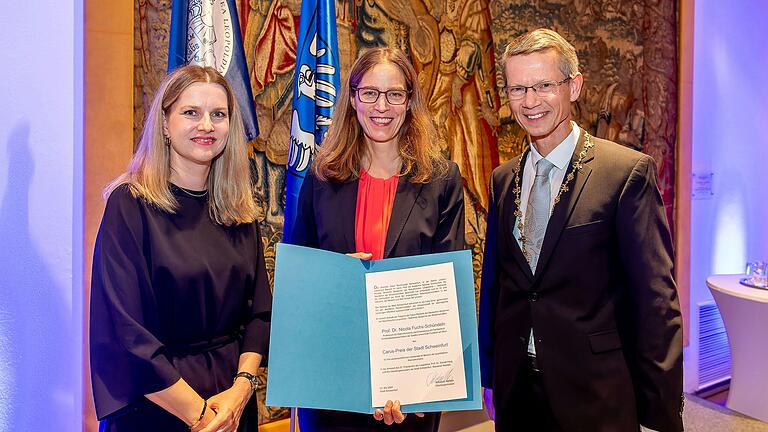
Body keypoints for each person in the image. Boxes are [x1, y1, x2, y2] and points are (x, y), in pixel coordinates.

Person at [478, 29, 683, 431]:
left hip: (597, 394)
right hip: (518, 389)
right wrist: (489, 376)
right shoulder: (503, 179)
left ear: (573, 86)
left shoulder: (625, 174)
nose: (530, 101)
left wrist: (660, 413)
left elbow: (656, 301)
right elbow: (495, 288)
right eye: (518, 88)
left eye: (543, 86)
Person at [289, 47, 465, 431]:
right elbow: (296, 281)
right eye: (369, 93)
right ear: (352, 99)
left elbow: (446, 289)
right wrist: (337, 278)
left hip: (410, 390)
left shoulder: (441, 180)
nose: (381, 106)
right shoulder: (321, 178)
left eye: (394, 94)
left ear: (409, 101)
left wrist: (419, 386)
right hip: (333, 379)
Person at [90, 65, 272, 432]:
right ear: (164, 124)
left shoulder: (238, 208)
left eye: (218, 115)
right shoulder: (130, 205)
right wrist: (201, 416)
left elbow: (260, 315)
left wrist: (240, 392)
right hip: (157, 407)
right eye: (191, 112)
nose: (206, 125)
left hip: (232, 405)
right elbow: (126, 333)